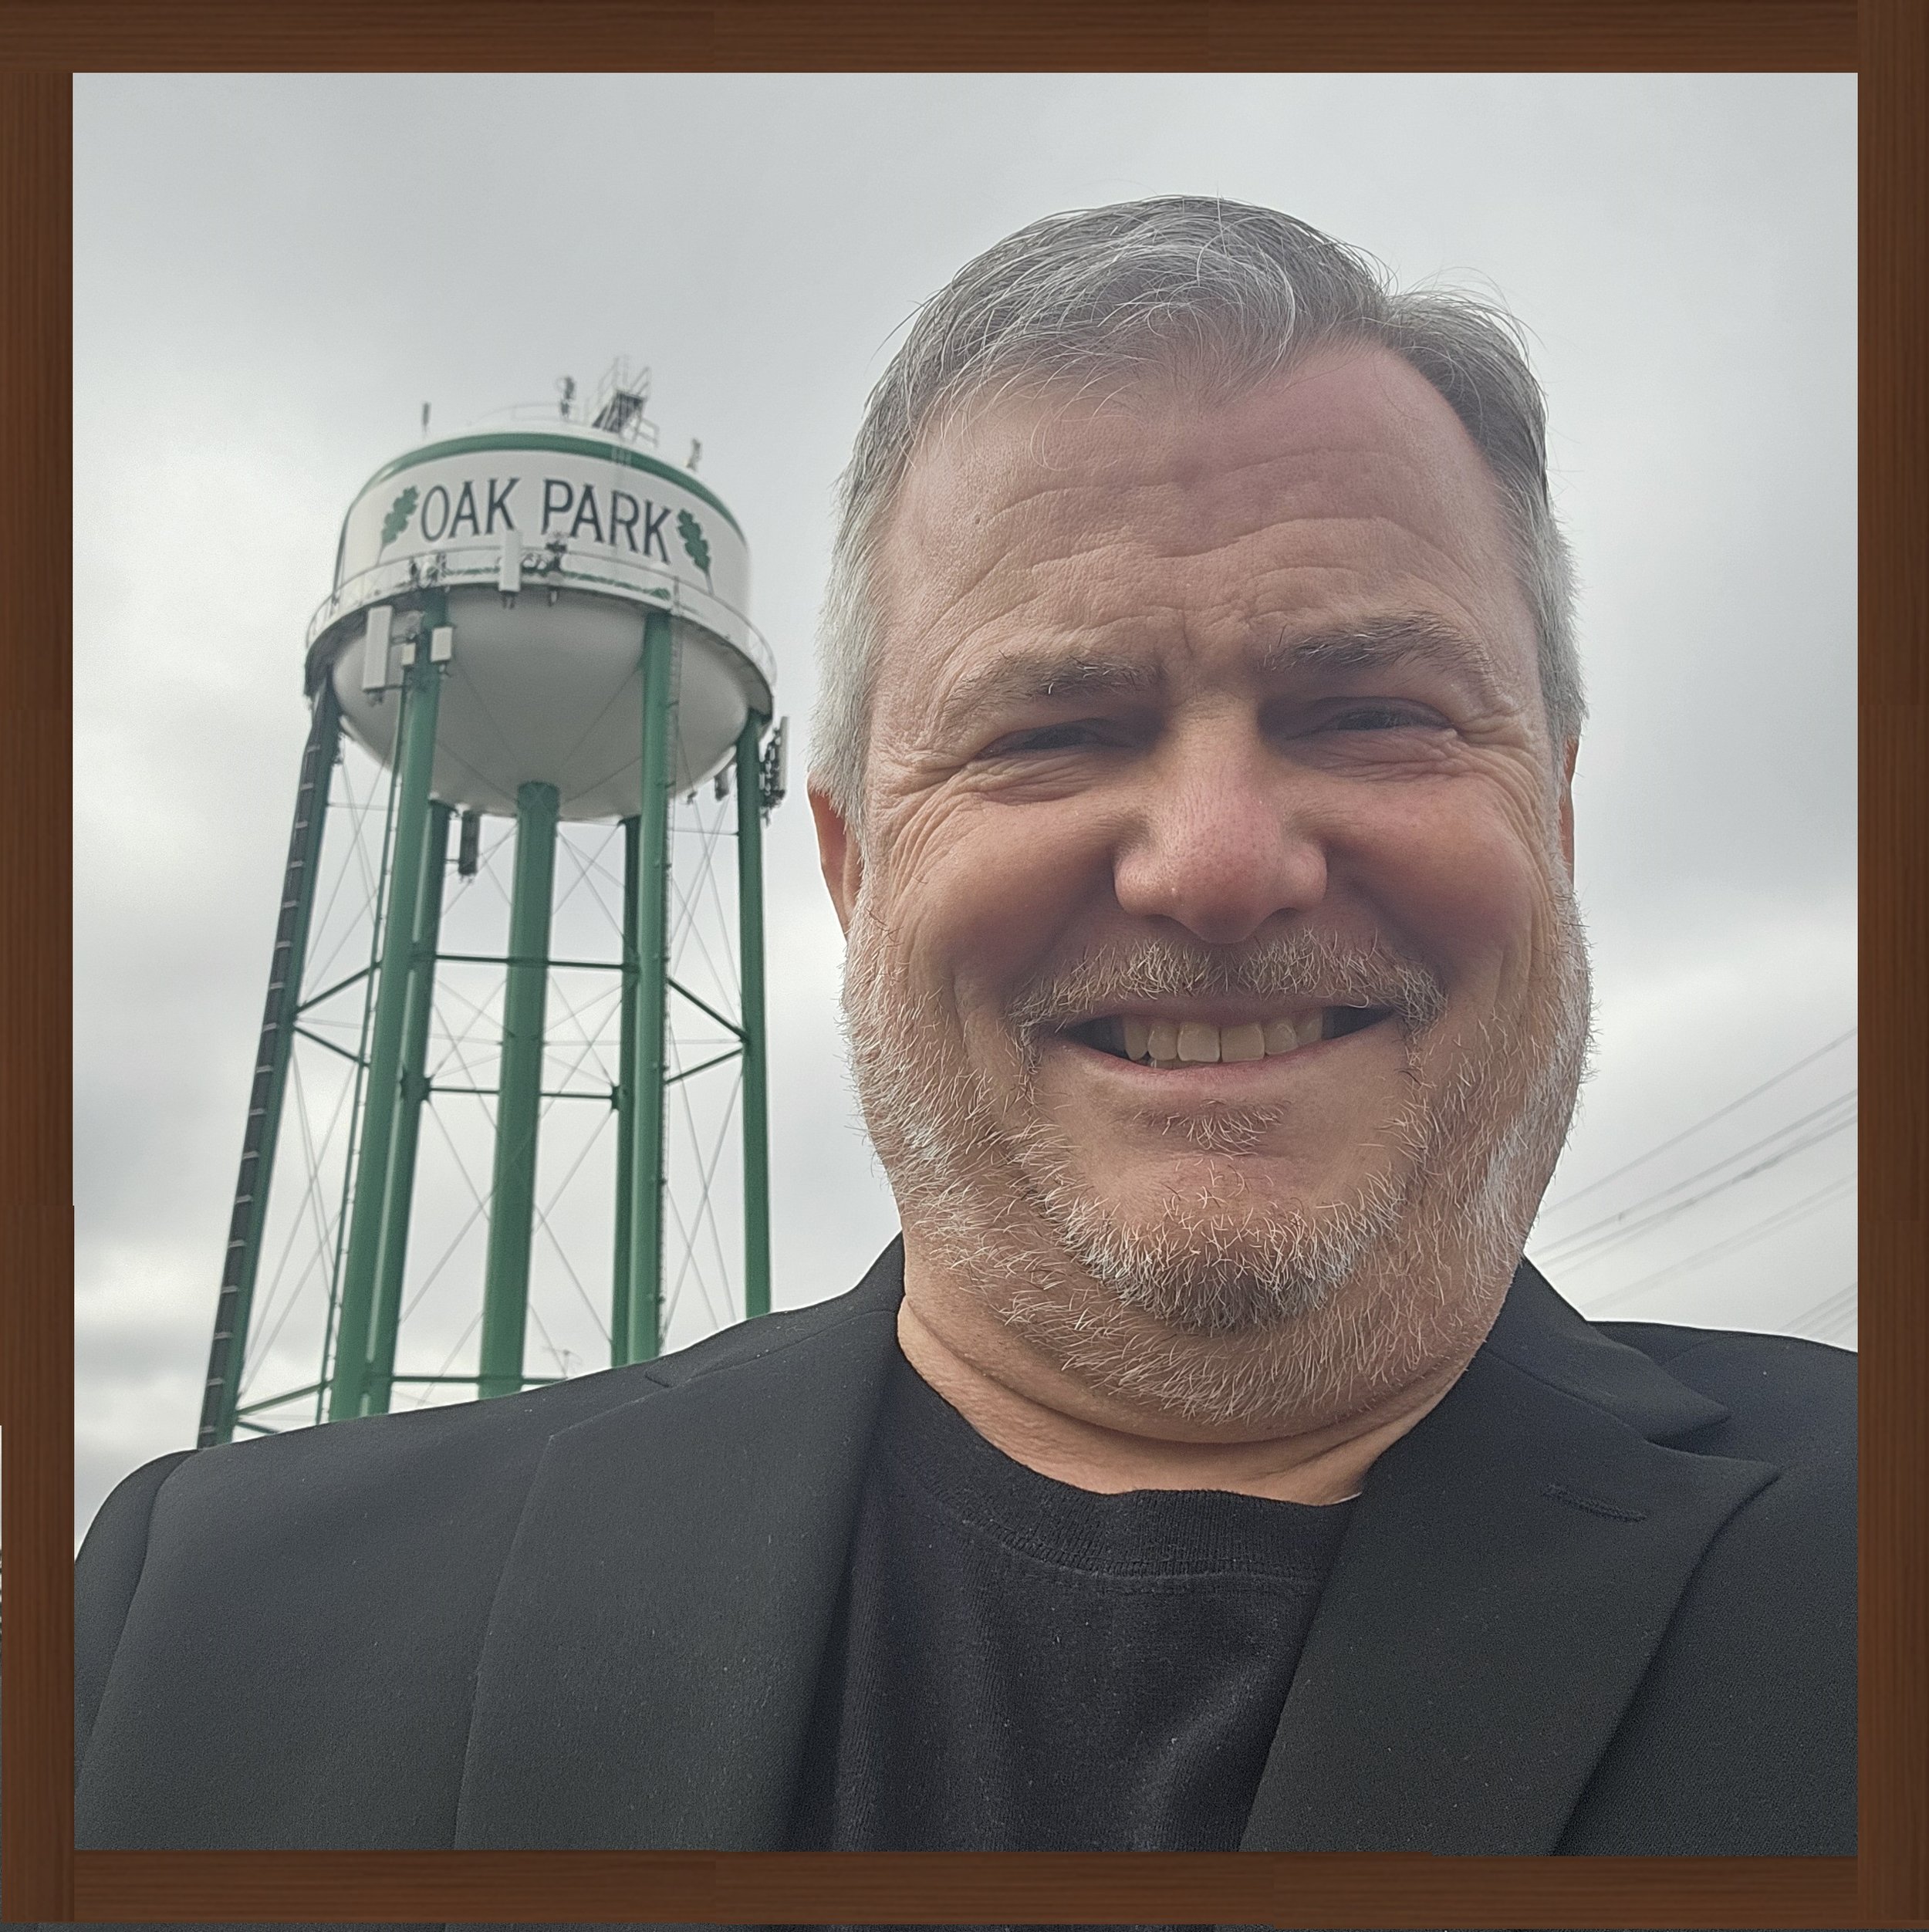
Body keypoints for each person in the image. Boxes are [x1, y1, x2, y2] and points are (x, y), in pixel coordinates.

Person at [75, 198, 1853, 1869]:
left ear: (1554, 815)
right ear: (851, 867)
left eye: (1368, 709)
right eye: (1051, 731)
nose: (1214, 863)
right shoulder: (210, 1630)